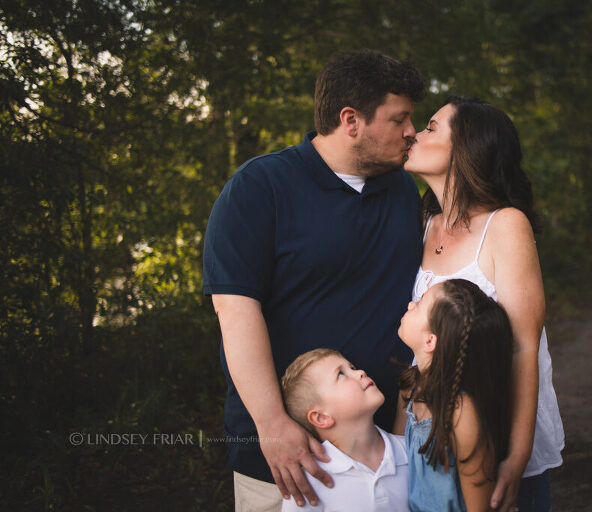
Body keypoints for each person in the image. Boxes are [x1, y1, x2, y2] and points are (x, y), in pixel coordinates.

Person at [202, 50, 424, 511]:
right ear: (351, 120)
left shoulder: (403, 190)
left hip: (387, 449)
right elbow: (235, 310)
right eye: (400, 118)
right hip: (289, 455)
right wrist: (271, 425)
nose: (411, 132)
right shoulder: (260, 187)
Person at [402, 96, 565, 512]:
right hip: (435, 444)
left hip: (493, 438)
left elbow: (524, 345)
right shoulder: (424, 225)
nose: (414, 134)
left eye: (431, 127)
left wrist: (516, 454)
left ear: (468, 147)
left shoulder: (505, 224)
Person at [396, 279, 514, 512]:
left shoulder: (460, 412)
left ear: (430, 341)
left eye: (419, 305)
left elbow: (479, 507)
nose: (410, 304)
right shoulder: (410, 386)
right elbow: (399, 456)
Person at [279, 349, 409, 511]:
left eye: (352, 368)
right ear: (321, 418)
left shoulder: (413, 452)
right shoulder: (310, 482)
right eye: (340, 374)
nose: (361, 372)